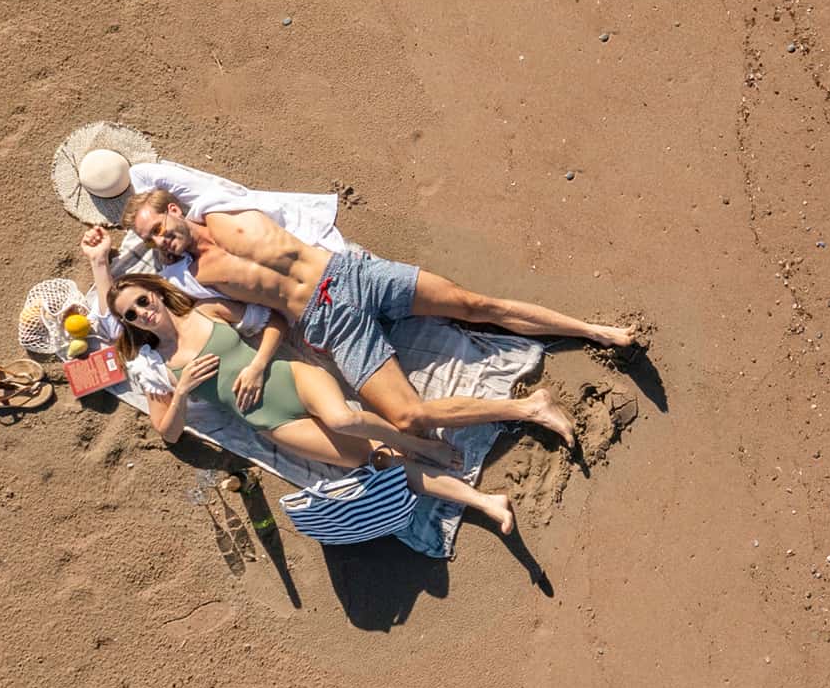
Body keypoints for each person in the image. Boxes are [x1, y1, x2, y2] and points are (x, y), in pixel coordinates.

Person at [81, 228, 533, 534]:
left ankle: (421, 445)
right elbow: (169, 433)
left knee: (343, 417)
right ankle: (485, 502)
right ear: (132, 323)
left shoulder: (206, 311)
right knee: (377, 464)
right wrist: (181, 391)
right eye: (132, 314)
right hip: (272, 422)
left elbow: (275, 322)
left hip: (292, 378)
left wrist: (257, 364)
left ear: (156, 292)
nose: (142, 312)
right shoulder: (154, 365)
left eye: (143, 300)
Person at [122, 188, 632, 440]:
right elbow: (123, 310)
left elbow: (154, 173)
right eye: (150, 240)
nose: (161, 239)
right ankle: (531, 408)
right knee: (406, 416)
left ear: (174, 209)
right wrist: (104, 262)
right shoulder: (194, 279)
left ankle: (594, 331)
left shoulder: (221, 205)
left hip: (352, 274)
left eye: (160, 226)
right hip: (325, 322)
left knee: (475, 305)